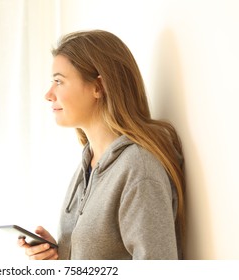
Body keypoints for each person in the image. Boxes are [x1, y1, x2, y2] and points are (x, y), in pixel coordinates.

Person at [18, 30, 185, 260]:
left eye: (59, 81)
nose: (49, 94)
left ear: (98, 87)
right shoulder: (88, 163)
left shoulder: (139, 170)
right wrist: (61, 255)